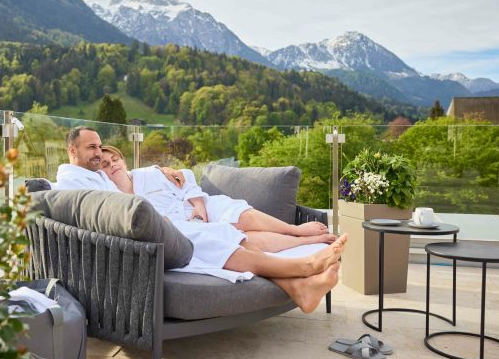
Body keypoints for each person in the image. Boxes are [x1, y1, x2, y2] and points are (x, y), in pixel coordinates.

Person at [52, 126, 345, 313]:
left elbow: (180, 183)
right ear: (72, 150)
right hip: (142, 238)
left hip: (158, 226)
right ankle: (304, 266)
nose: (100, 156)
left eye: (101, 149)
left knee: (225, 237)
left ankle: (299, 287)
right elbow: (97, 210)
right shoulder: (72, 179)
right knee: (213, 239)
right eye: (92, 148)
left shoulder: (100, 177)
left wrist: (170, 180)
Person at [100, 144, 337, 252]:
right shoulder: (111, 197)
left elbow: (187, 180)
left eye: (115, 159)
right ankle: (304, 242)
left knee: (240, 213)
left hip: (200, 208)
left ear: (123, 160)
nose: (112, 165)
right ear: (100, 171)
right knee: (242, 239)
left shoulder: (149, 173)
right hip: (184, 227)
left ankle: (294, 230)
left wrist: (200, 208)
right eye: (105, 164)